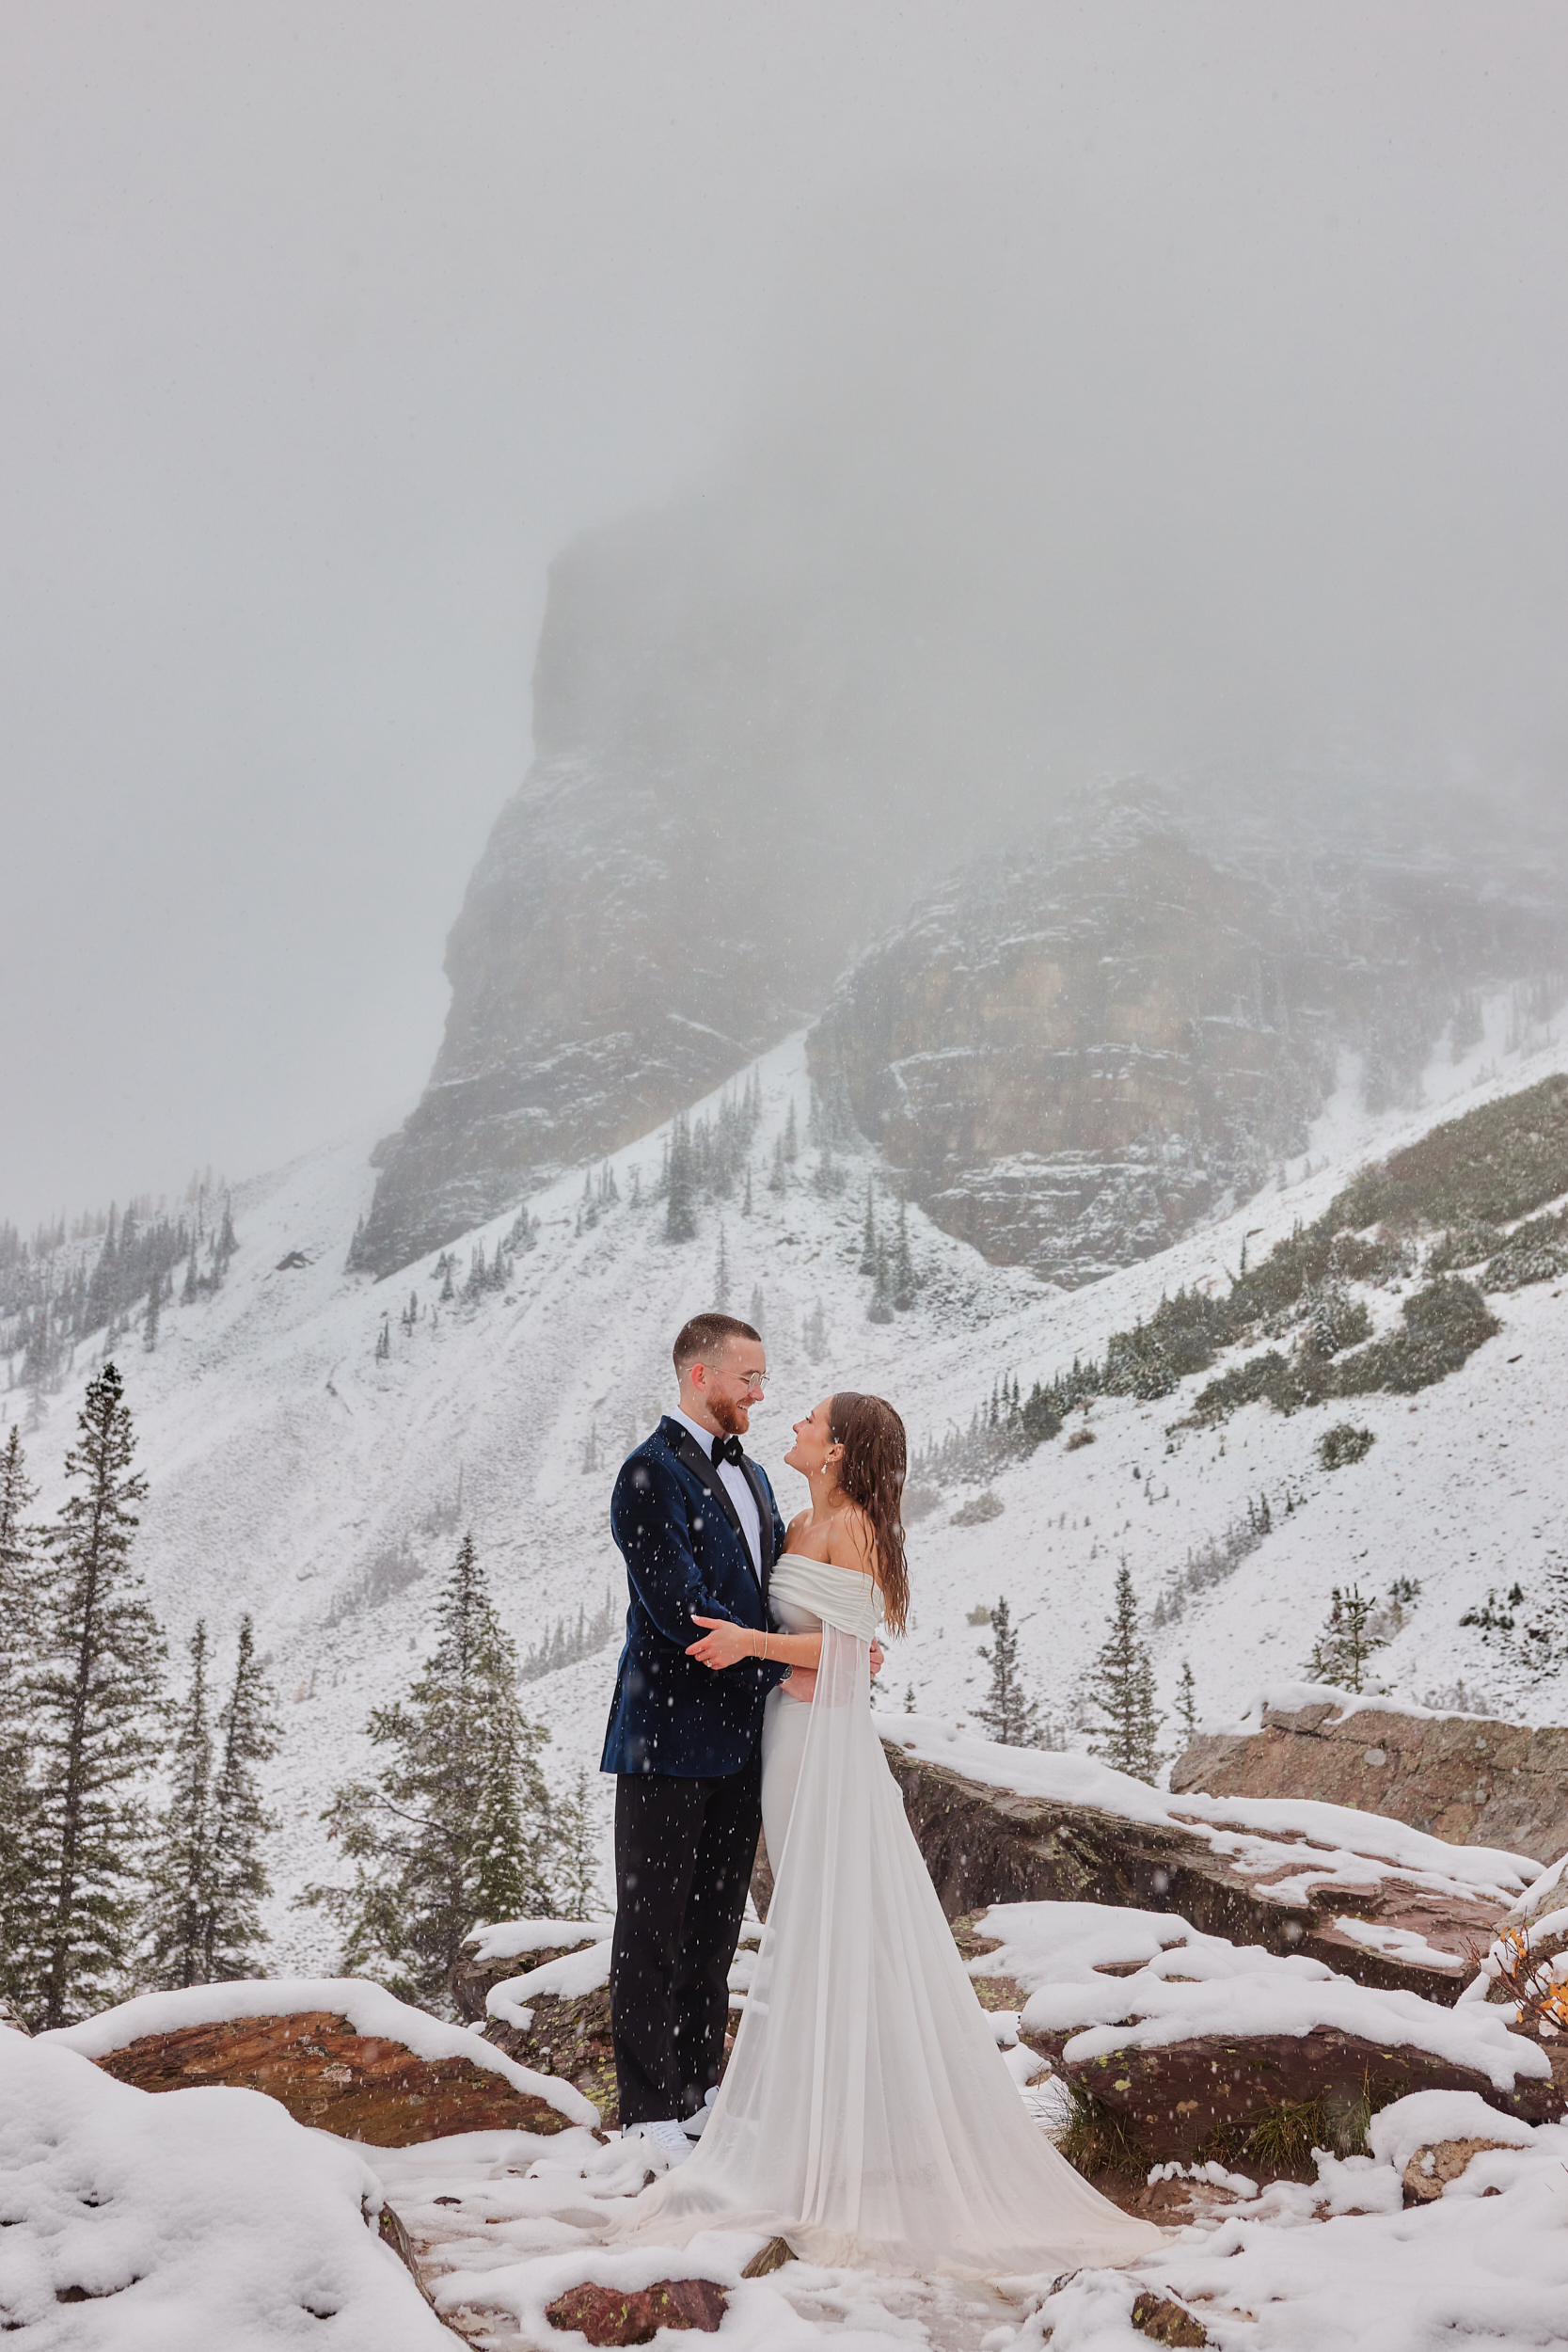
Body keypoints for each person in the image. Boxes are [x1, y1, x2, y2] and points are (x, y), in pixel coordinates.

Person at [615, 1388, 1164, 2276]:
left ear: (836, 1451)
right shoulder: (793, 1518)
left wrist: (761, 1650)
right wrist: (785, 1651)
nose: (793, 1422)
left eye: (811, 1420)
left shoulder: (857, 1529)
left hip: (824, 1746)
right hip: (781, 1740)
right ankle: (823, 2112)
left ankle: (866, 2129)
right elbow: (818, 1636)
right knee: (808, 1917)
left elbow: (842, 1649)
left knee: (842, 1919)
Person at [600, 1312, 789, 2170]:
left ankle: (699, 2092)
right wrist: (777, 1668)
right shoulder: (648, 1473)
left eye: (761, 1378)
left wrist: (807, 1652)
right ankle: (644, 2109)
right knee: (651, 1924)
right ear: (698, 1378)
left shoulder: (747, 1470)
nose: (759, 1393)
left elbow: (768, 1589)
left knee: (713, 1928)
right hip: (668, 1736)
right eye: (748, 1378)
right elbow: (680, 1612)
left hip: (744, 1738)